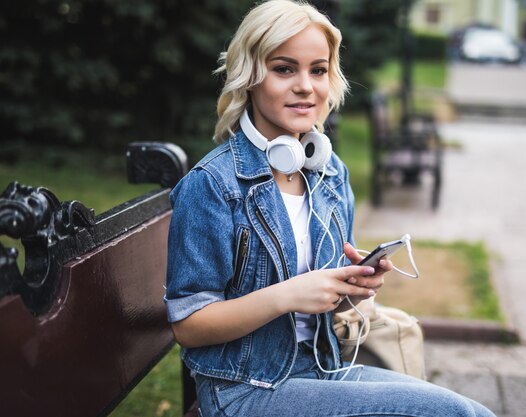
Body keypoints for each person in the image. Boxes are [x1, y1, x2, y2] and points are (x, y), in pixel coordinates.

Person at [165, 1, 496, 416]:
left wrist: (352, 288)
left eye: (318, 70)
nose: (306, 85)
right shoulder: (212, 185)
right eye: (284, 69)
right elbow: (189, 326)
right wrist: (287, 295)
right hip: (243, 390)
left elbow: (325, 304)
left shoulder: (330, 174)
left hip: (321, 368)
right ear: (250, 77)